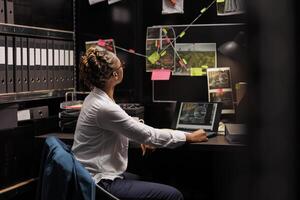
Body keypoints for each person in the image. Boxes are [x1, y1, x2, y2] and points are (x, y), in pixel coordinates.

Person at [72, 45, 208, 200]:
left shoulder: (95, 98)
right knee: (173, 195)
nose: (123, 67)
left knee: (151, 179)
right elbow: (149, 135)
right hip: (100, 183)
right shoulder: (103, 107)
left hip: (91, 176)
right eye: (121, 65)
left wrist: (141, 135)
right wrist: (188, 137)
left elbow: (126, 124)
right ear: (115, 75)